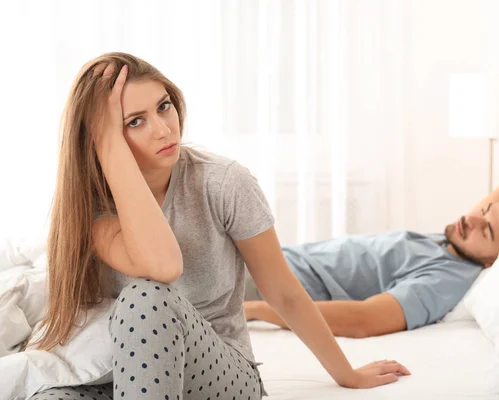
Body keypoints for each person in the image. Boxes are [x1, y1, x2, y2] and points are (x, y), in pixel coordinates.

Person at [27, 52, 410, 400]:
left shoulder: (222, 182)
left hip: (220, 371)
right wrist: (108, 146)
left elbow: (281, 291)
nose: (163, 129)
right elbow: (155, 263)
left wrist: (346, 374)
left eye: (164, 107)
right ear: (101, 139)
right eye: (135, 122)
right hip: (121, 373)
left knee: (146, 297)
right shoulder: (93, 208)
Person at [244, 178, 499, 338]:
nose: (474, 219)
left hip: (262, 286)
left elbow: (364, 320)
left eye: (488, 231)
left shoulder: (445, 279)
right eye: (484, 210)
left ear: (495, 261)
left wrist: (257, 310)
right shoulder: (457, 239)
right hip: (261, 259)